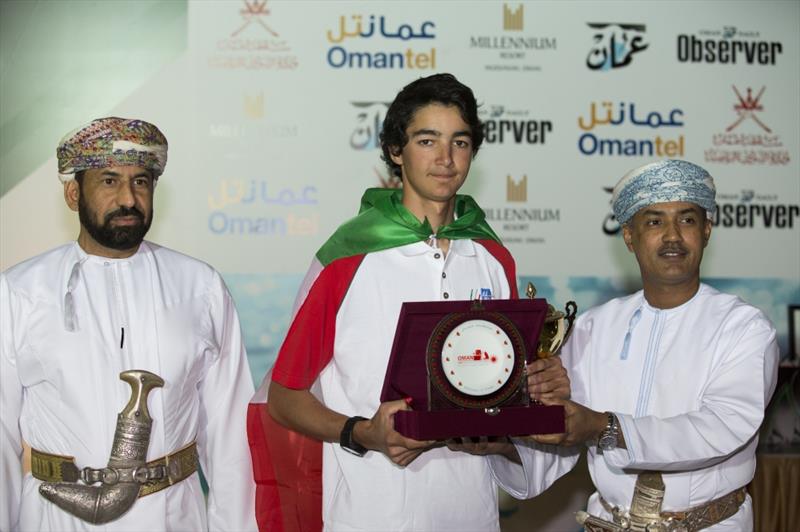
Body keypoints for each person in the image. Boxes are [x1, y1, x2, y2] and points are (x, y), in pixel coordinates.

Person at [247, 73, 571, 532]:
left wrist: (537, 386)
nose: (445, 158)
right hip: (372, 512)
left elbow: (504, 386)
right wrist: (363, 433)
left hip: (471, 512)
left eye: (459, 142)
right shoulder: (348, 257)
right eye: (427, 140)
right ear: (396, 152)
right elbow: (284, 397)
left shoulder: (494, 258)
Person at [0, 117, 257, 531]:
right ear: (72, 193)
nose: (128, 198)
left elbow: (231, 438)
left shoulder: (199, 286)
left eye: (141, 182)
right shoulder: (20, 292)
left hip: (174, 515)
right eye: (108, 181)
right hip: (58, 518)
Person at [509, 159, 780, 531]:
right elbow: (564, 435)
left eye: (686, 220)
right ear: (629, 236)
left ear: (706, 230)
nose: (672, 236)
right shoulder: (592, 327)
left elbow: (723, 426)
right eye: (654, 222)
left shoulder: (744, 327)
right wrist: (499, 445)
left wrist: (604, 426)